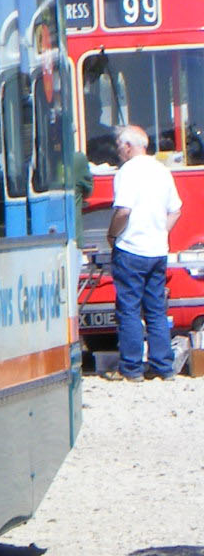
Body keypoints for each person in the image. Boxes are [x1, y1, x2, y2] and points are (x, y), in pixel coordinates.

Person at [105, 123, 184, 382]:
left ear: (128, 146)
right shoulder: (162, 171)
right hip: (157, 249)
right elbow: (176, 209)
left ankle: (132, 367)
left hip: (131, 248)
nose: (119, 153)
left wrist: (113, 235)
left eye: (119, 147)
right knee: (156, 309)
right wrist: (162, 231)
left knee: (128, 309)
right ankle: (163, 367)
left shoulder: (126, 172)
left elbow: (123, 211)